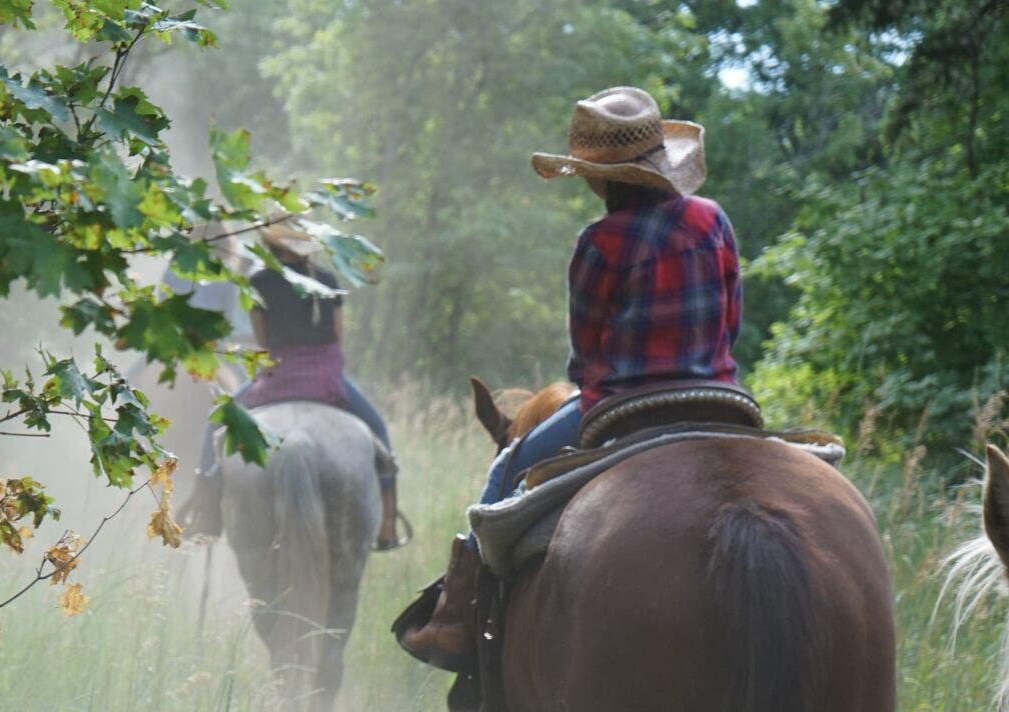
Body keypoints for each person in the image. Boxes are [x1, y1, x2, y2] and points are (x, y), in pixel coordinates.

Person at [397, 85, 742, 667]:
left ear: (594, 176)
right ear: (660, 163)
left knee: (508, 467)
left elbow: (584, 358)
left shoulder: (599, 242)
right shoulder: (712, 219)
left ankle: (457, 613)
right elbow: (731, 319)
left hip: (624, 405)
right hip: (721, 398)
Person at [175, 219, 400, 545]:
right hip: (326, 377)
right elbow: (337, 339)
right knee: (379, 430)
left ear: (274, 246)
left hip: (278, 376)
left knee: (216, 422)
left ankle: (207, 511)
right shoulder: (326, 280)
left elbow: (264, 342)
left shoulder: (259, 282)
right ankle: (388, 525)